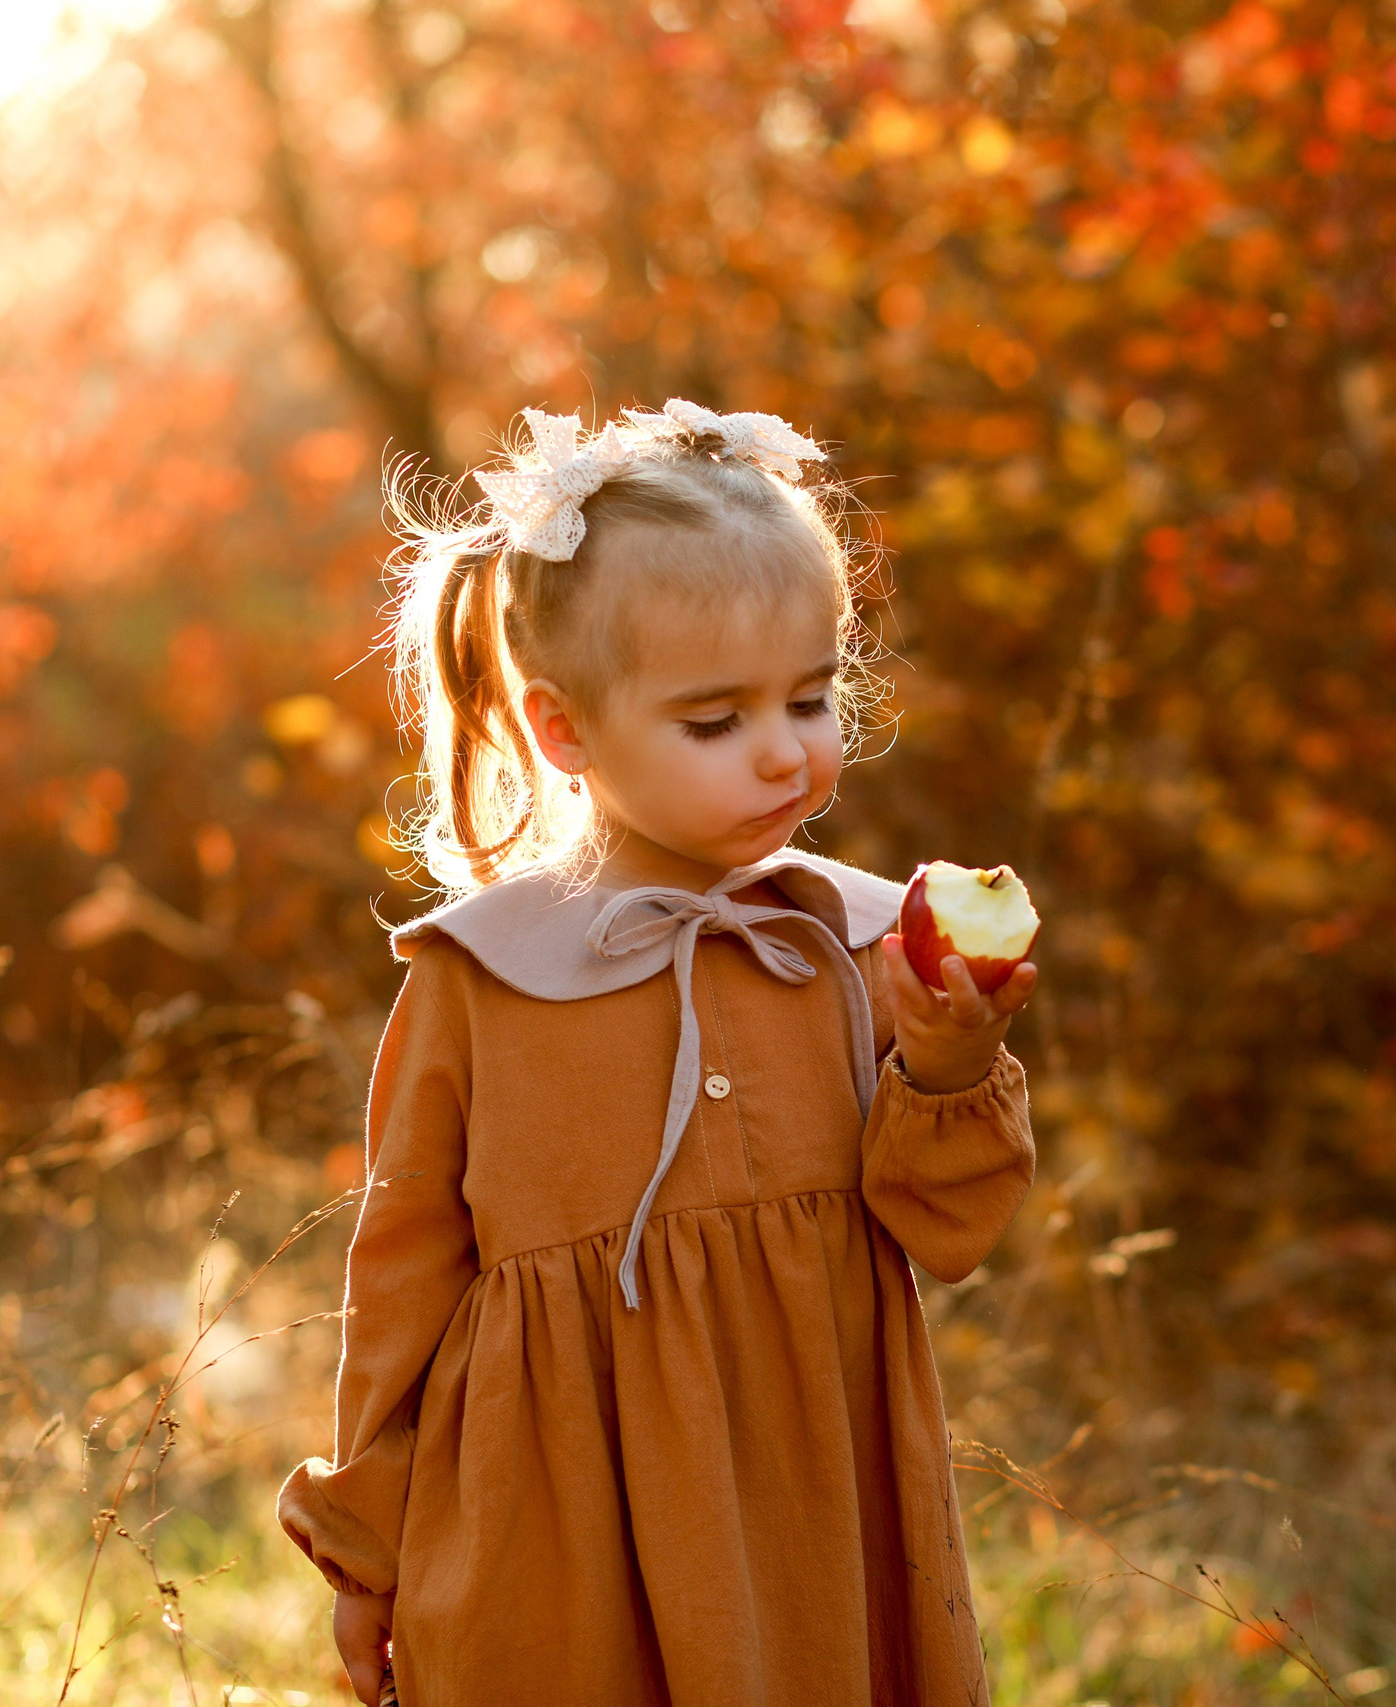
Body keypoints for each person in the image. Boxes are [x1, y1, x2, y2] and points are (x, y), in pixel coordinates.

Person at [275, 400, 1038, 1706]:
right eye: (715, 721)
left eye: (811, 697)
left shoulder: (851, 941)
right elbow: (399, 1280)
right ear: (565, 731)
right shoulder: (486, 978)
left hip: (817, 1520)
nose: (786, 749)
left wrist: (949, 1069)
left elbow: (943, 1230)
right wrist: (367, 1558)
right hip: (560, 1541)